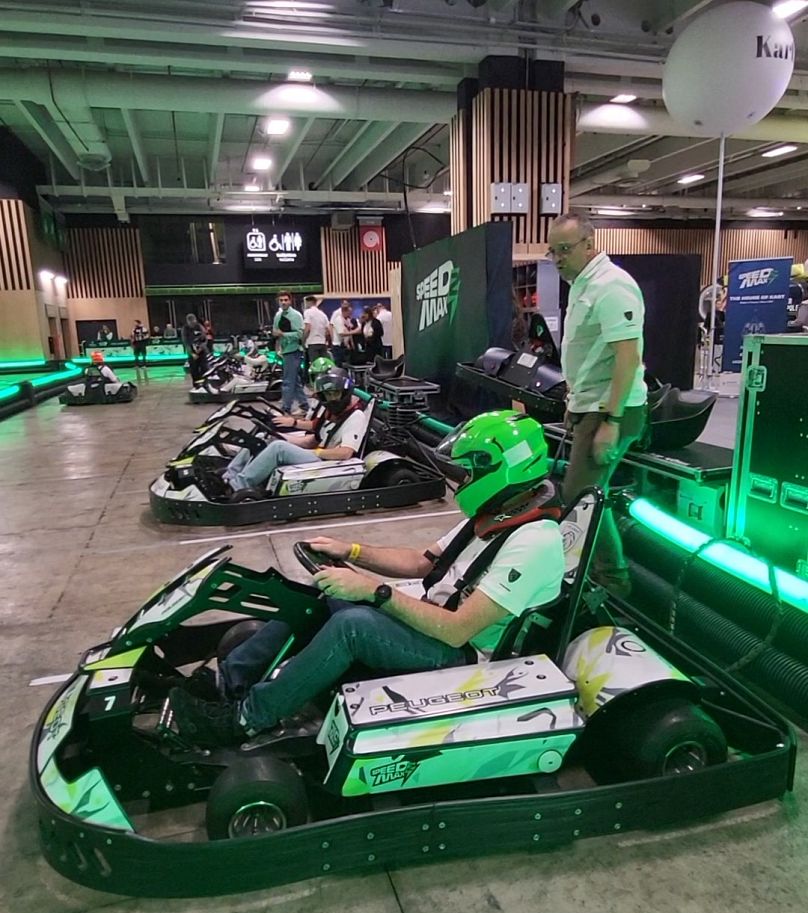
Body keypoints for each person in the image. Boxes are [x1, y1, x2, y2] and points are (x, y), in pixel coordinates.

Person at [168, 410, 566, 746]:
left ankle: (247, 718)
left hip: (463, 653)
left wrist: (376, 592)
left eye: (467, 471)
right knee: (326, 589)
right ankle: (230, 682)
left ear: (503, 469)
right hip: (432, 620)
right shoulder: (495, 515)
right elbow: (421, 562)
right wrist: (351, 552)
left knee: (351, 626)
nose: (460, 480)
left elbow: (459, 630)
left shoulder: (534, 541)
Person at [547, 211, 647, 598]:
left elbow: (628, 356)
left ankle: (613, 583)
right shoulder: (582, 284)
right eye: (552, 250)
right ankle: (592, 573)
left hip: (612, 409)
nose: (557, 258)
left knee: (580, 496)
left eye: (565, 249)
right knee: (581, 494)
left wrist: (612, 420)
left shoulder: (611, 285)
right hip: (591, 406)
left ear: (589, 244)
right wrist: (576, 399)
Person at [221, 368, 367, 494]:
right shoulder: (331, 412)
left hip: (329, 461)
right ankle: (229, 476)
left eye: (335, 393)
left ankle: (238, 486)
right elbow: (312, 440)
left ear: (345, 392)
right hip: (318, 453)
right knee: (263, 437)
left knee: (279, 448)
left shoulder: (356, 416)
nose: (331, 398)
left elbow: (345, 452)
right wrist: (278, 436)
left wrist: (315, 452)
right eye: (328, 394)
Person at [274, 291, 309, 415]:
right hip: (285, 351)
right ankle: (304, 405)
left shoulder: (296, 315)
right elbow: (275, 332)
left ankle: (286, 407)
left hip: (294, 350)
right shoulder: (278, 316)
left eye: (285, 300)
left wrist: (283, 334)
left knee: (288, 381)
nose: (283, 302)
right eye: (281, 300)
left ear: (290, 301)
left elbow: (300, 334)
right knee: (294, 380)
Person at [303, 295, 331, 367]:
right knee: (323, 366)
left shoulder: (308, 312)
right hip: (322, 343)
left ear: (308, 303)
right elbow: (328, 331)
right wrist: (325, 340)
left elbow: (308, 328)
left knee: (316, 366)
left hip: (312, 343)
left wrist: (303, 340)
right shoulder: (323, 314)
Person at [181, 313, 209, 386]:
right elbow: (185, 342)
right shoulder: (185, 329)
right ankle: (196, 385)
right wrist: (192, 353)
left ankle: (205, 384)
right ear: (188, 322)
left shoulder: (199, 326)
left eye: (194, 321)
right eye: (191, 322)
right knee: (194, 370)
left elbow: (205, 339)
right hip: (192, 352)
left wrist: (201, 348)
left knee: (204, 368)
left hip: (202, 351)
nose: (193, 324)